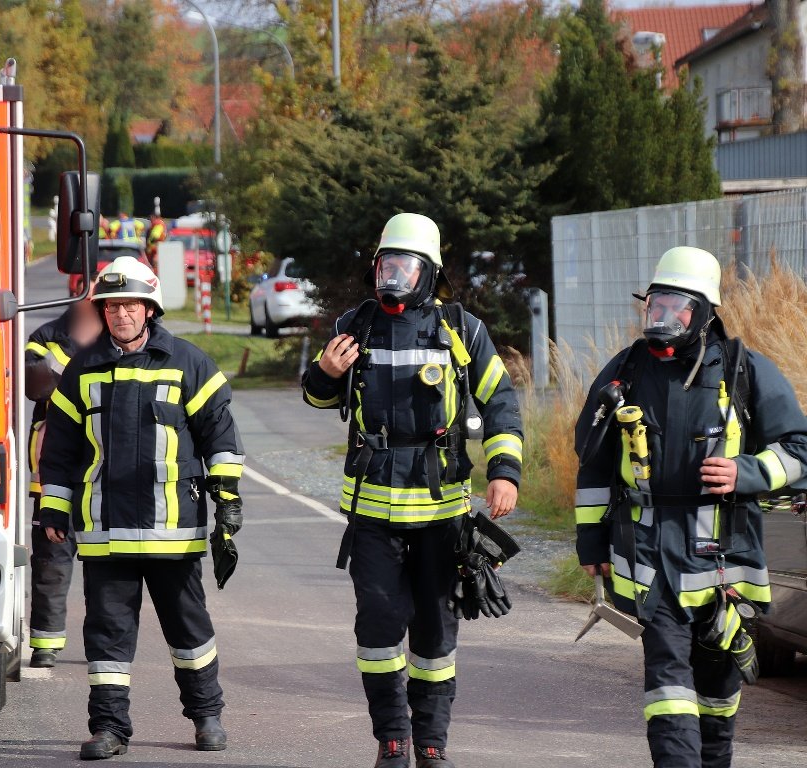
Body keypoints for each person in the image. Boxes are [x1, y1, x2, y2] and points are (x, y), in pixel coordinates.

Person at [301, 213, 523, 768]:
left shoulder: (461, 329)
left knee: (435, 633)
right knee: (377, 627)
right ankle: (392, 739)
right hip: (372, 513)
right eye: (384, 266)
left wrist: (504, 471)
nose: (391, 277)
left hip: (442, 514)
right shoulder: (356, 325)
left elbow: (500, 403)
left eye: (403, 267)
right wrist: (325, 373)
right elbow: (321, 399)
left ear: (429, 273)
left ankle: (432, 742)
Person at [573, 246, 807, 768]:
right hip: (652, 564)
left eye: (675, 307)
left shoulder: (745, 371)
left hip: (724, 569)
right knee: (667, 690)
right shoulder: (625, 372)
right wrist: (591, 543)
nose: (661, 317)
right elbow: (592, 464)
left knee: (719, 699)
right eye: (654, 305)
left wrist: (745, 473)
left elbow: (799, 451)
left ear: (703, 311)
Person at [37, 255, 244, 760]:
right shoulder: (82, 369)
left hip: (173, 529)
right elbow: (59, 449)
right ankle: (109, 729)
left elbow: (220, 436)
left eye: (130, 304)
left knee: (189, 631)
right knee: (107, 639)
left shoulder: (189, 363)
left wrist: (229, 503)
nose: (120, 315)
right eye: (111, 306)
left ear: (149, 309)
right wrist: (55, 510)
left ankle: (206, 717)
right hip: (107, 531)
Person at [24, 287, 104, 668]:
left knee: (107, 566)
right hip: (53, 471)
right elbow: (35, 385)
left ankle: (105, 646)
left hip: (104, 471)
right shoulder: (46, 337)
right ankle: (46, 644)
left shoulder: (124, 336)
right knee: (52, 562)